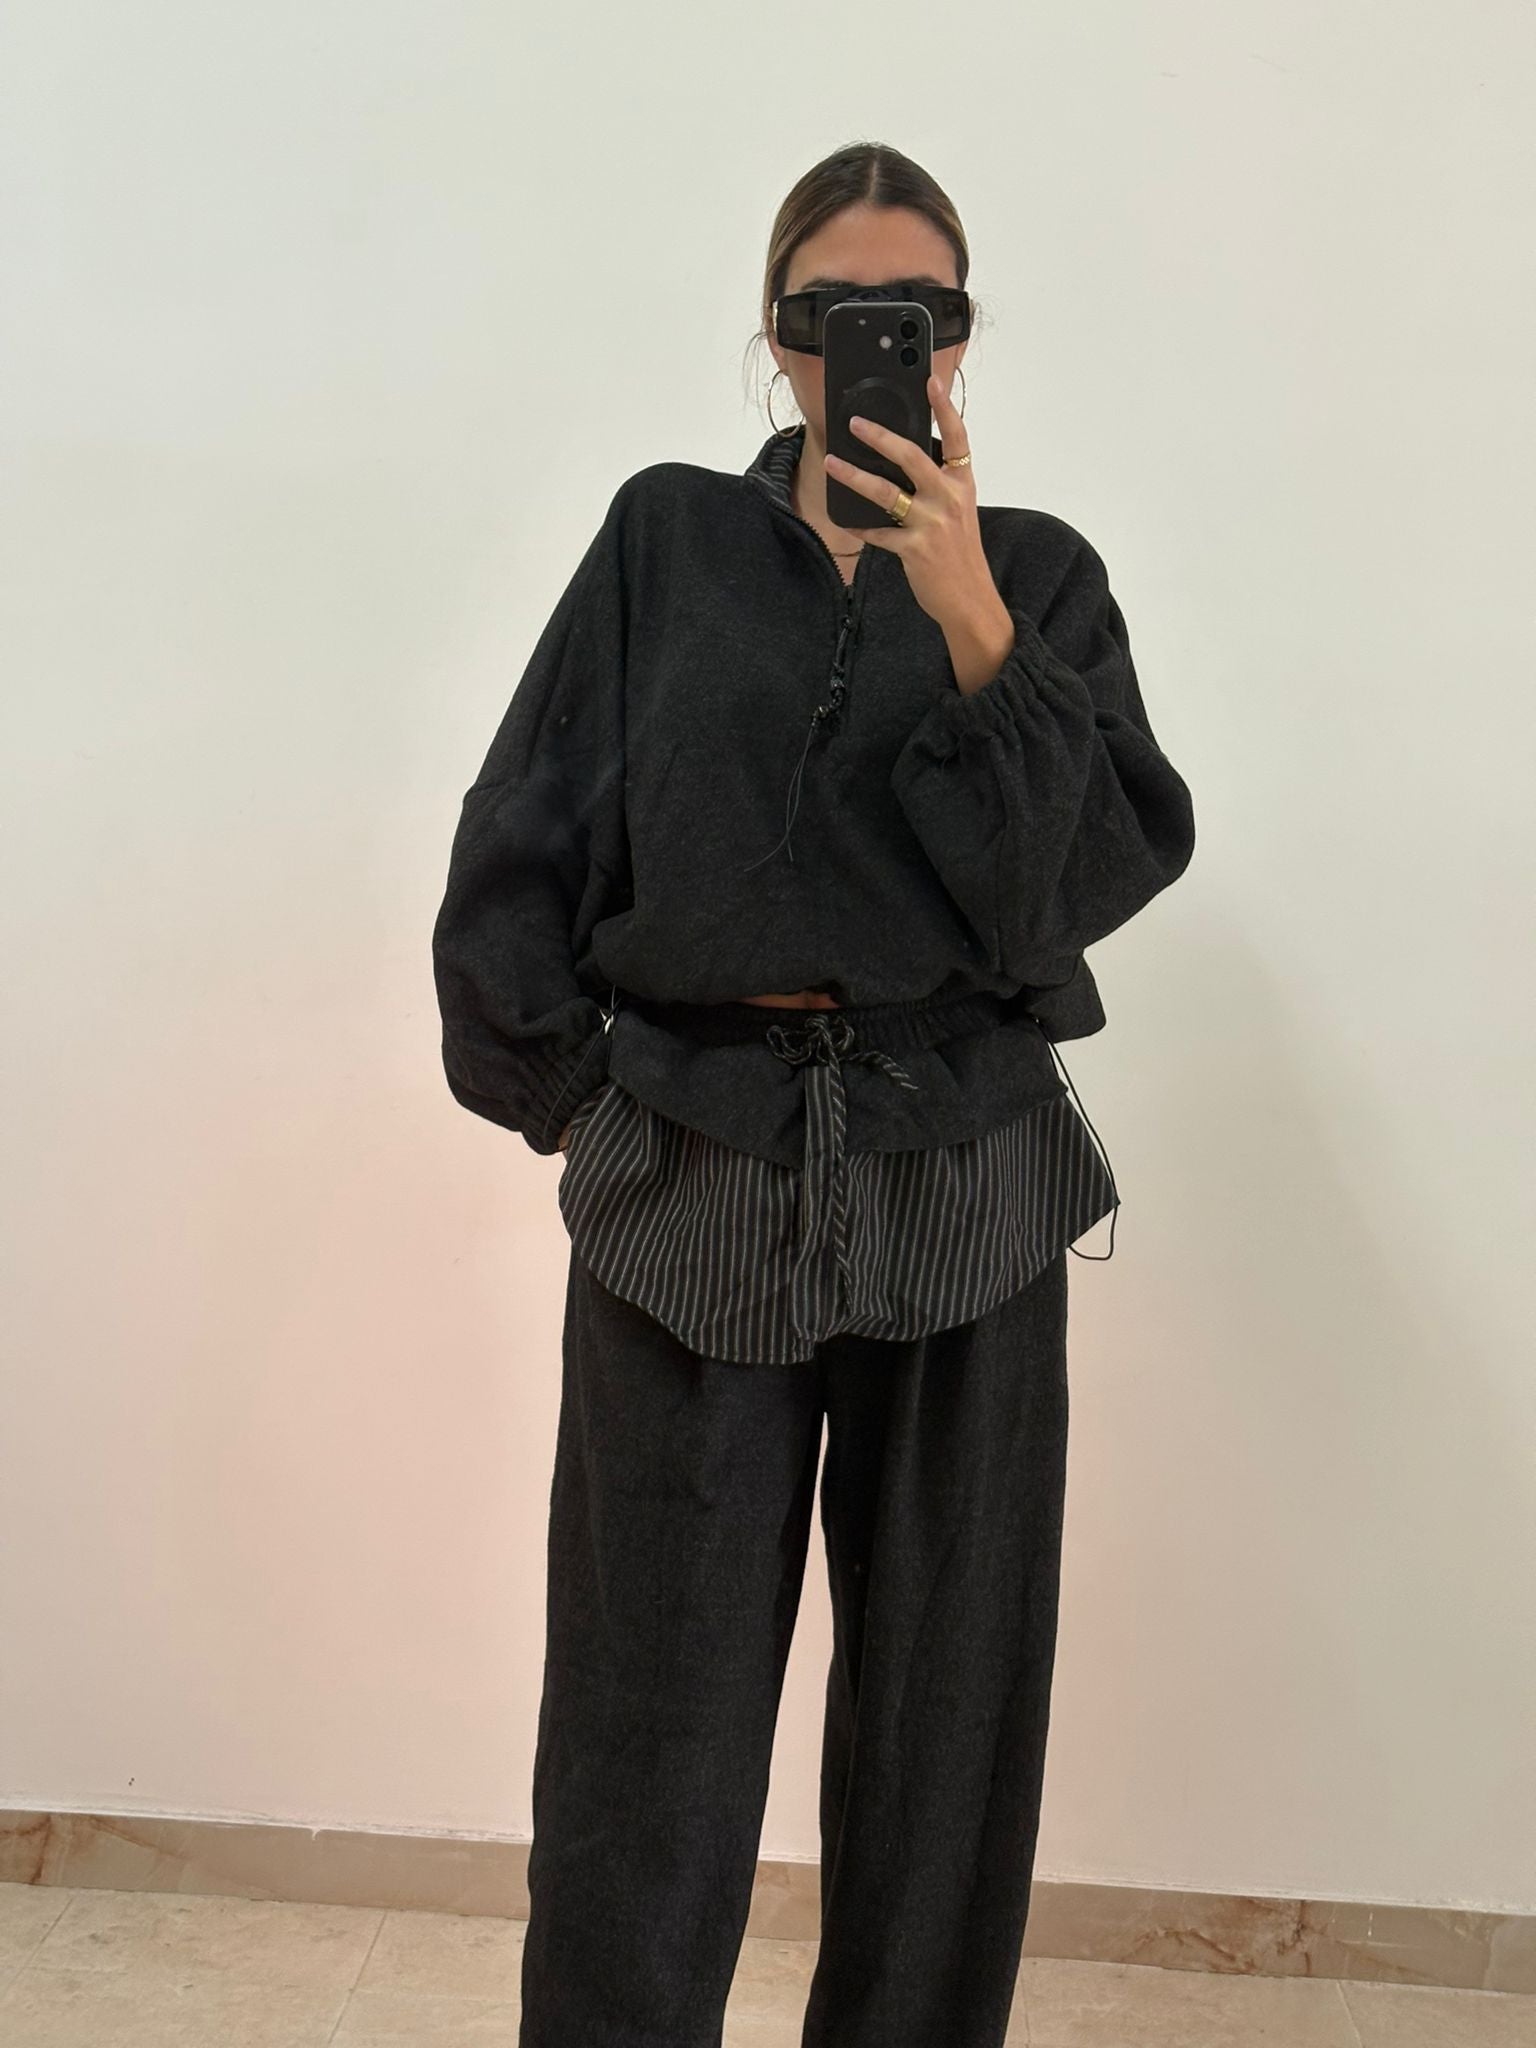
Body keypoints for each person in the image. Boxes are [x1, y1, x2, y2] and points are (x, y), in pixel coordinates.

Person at [432, 140, 1196, 2048]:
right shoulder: (666, 540)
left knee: (949, 1713)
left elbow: (1079, 887)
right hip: (691, 1157)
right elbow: (527, 820)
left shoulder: (1040, 575)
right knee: (646, 1713)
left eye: (915, 312)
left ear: (957, 339)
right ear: (777, 339)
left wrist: (974, 618)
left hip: (967, 1171)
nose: (873, 341)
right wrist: (571, 1092)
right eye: (830, 312)